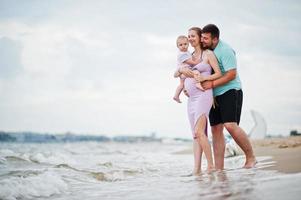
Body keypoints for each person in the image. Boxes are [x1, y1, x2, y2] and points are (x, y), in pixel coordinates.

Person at [200, 24, 257, 169]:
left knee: (230, 125)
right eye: (202, 37)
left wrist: (211, 85)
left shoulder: (225, 50)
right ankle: (219, 168)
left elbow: (231, 75)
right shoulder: (206, 51)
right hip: (213, 95)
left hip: (231, 90)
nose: (203, 40)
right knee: (216, 130)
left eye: (206, 38)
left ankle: (251, 158)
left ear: (215, 38)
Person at [178, 27, 222, 174]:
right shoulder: (187, 56)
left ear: (199, 37)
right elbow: (175, 73)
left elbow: (218, 73)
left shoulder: (208, 54)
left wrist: (204, 78)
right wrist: (181, 71)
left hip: (204, 95)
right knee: (195, 135)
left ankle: (211, 166)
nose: (190, 39)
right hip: (191, 99)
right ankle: (197, 169)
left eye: (193, 36)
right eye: (188, 36)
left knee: (199, 131)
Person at [173, 35, 205, 103]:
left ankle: (176, 95)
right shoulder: (182, 54)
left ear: (188, 44)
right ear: (177, 46)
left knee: (182, 85)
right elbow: (191, 62)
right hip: (185, 71)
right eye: (180, 45)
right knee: (196, 72)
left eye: (185, 44)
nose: (183, 46)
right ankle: (198, 83)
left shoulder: (187, 53)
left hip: (183, 73)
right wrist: (198, 61)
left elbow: (191, 57)